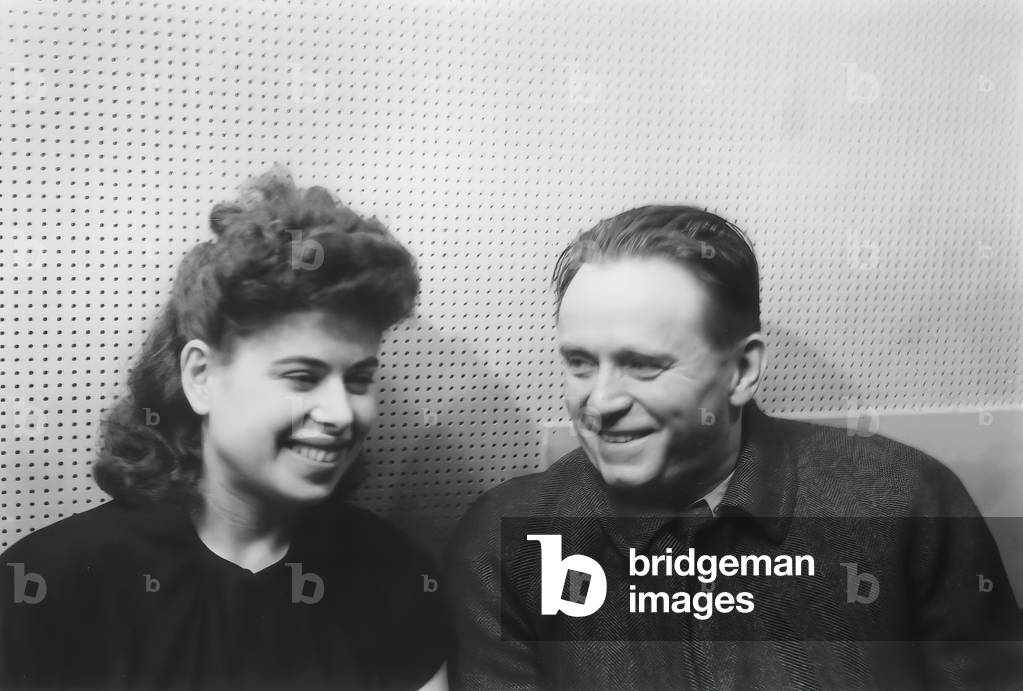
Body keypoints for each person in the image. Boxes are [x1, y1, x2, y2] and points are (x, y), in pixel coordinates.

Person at [445, 206, 1021, 690]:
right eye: (579, 363)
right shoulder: (510, 541)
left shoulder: (901, 501)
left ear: (742, 370)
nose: (599, 402)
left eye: (643, 365)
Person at [0, 172, 449, 691]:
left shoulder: (393, 577)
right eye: (302, 376)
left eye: (359, 379)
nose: (341, 414)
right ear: (201, 377)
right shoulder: (56, 586)